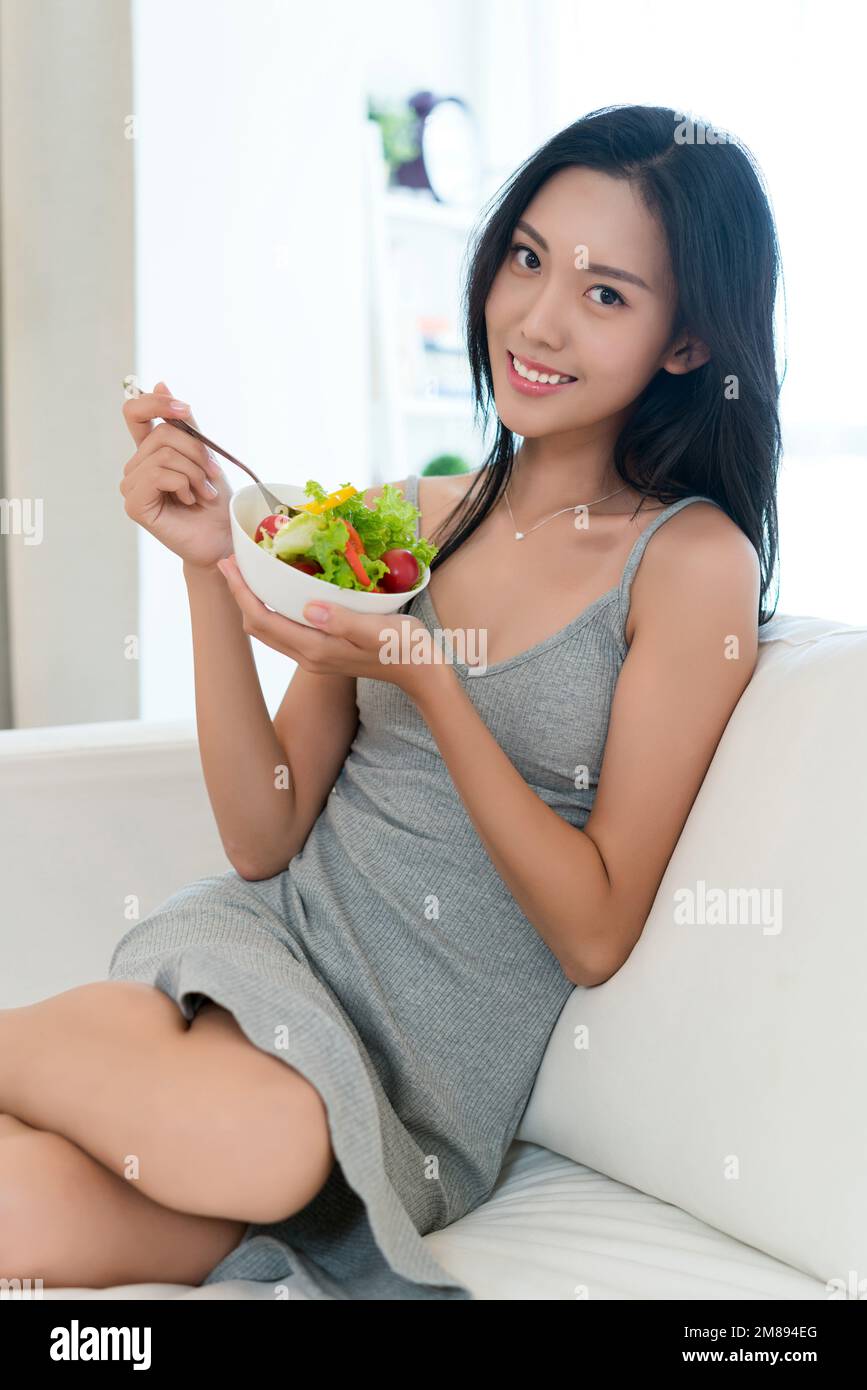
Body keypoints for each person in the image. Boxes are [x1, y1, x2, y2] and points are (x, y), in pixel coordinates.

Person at [0, 103, 779, 1299]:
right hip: (250, 971)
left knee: (223, 1161)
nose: (537, 317)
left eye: (607, 293)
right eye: (526, 258)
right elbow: (264, 835)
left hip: (405, 1094)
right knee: (245, 1145)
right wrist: (215, 564)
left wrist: (431, 682)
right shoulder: (412, 518)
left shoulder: (689, 565)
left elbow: (596, 927)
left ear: (687, 344)